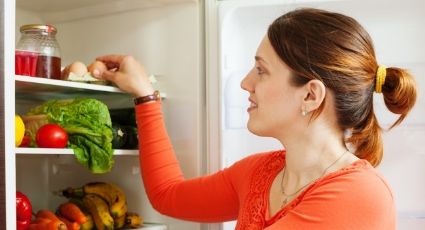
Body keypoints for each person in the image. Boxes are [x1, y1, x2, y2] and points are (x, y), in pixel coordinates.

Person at [92, 8, 417, 230]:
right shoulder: (260, 172)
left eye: (261, 70)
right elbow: (168, 194)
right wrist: (145, 96)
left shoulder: (359, 194)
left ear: (310, 95)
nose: (246, 82)